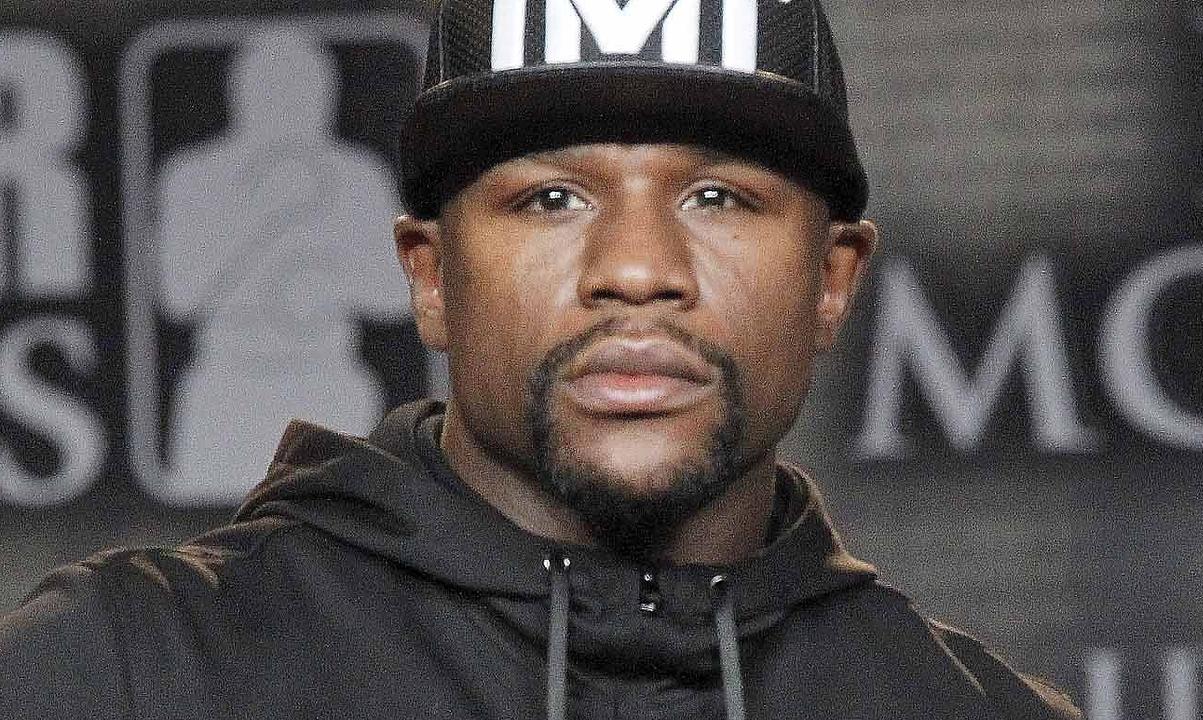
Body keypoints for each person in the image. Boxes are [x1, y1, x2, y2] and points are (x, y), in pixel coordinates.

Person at [0, 1, 1081, 718]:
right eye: (550, 198)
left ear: (831, 281)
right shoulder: (123, 675)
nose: (636, 268)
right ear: (430, 277)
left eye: (718, 197)